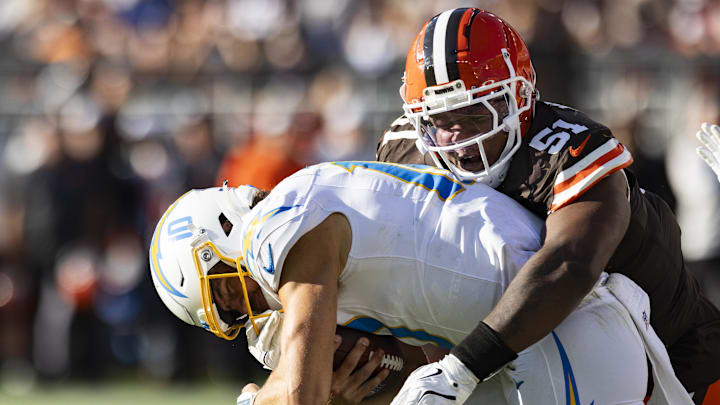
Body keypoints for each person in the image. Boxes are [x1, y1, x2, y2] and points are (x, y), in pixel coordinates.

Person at [375, 8, 720, 404]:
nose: (455, 138)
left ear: (519, 98)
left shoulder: (571, 150)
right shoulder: (405, 149)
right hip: (517, 352)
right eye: (438, 118)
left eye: (473, 115)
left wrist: (459, 371)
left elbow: (567, 265)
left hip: (670, 357)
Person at [148, 161, 691, 404]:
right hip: (520, 346)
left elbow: (295, 400)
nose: (246, 306)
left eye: (225, 288)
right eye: (228, 313)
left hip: (563, 326)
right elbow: (424, 367)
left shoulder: (282, 225)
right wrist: (352, 392)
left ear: (223, 228)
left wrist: (254, 399)